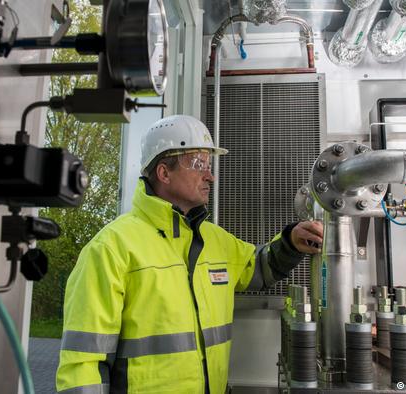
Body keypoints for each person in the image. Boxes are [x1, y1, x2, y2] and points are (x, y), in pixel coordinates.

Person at [56, 115, 323, 393]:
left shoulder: (216, 240)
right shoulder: (111, 249)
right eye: (198, 164)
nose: (210, 175)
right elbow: (83, 363)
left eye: (208, 165)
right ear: (164, 173)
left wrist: (291, 242)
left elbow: (258, 267)